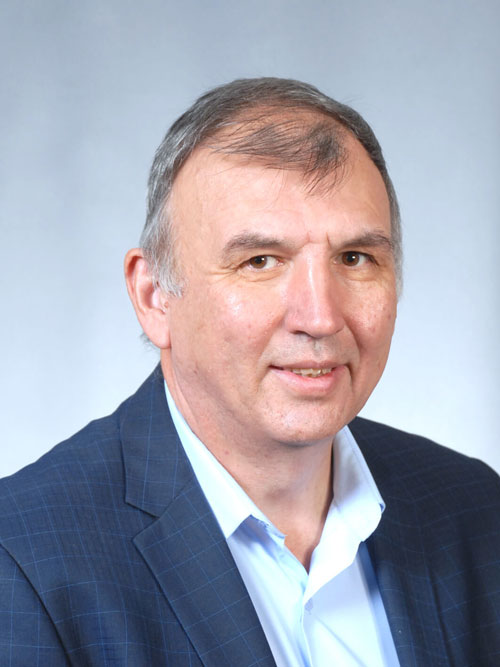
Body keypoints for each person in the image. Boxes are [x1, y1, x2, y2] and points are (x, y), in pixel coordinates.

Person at [0, 78, 498, 666]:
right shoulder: (24, 562)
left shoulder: (475, 510)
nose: (320, 317)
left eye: (355, 258)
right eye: (260, 261)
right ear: (154, 296)